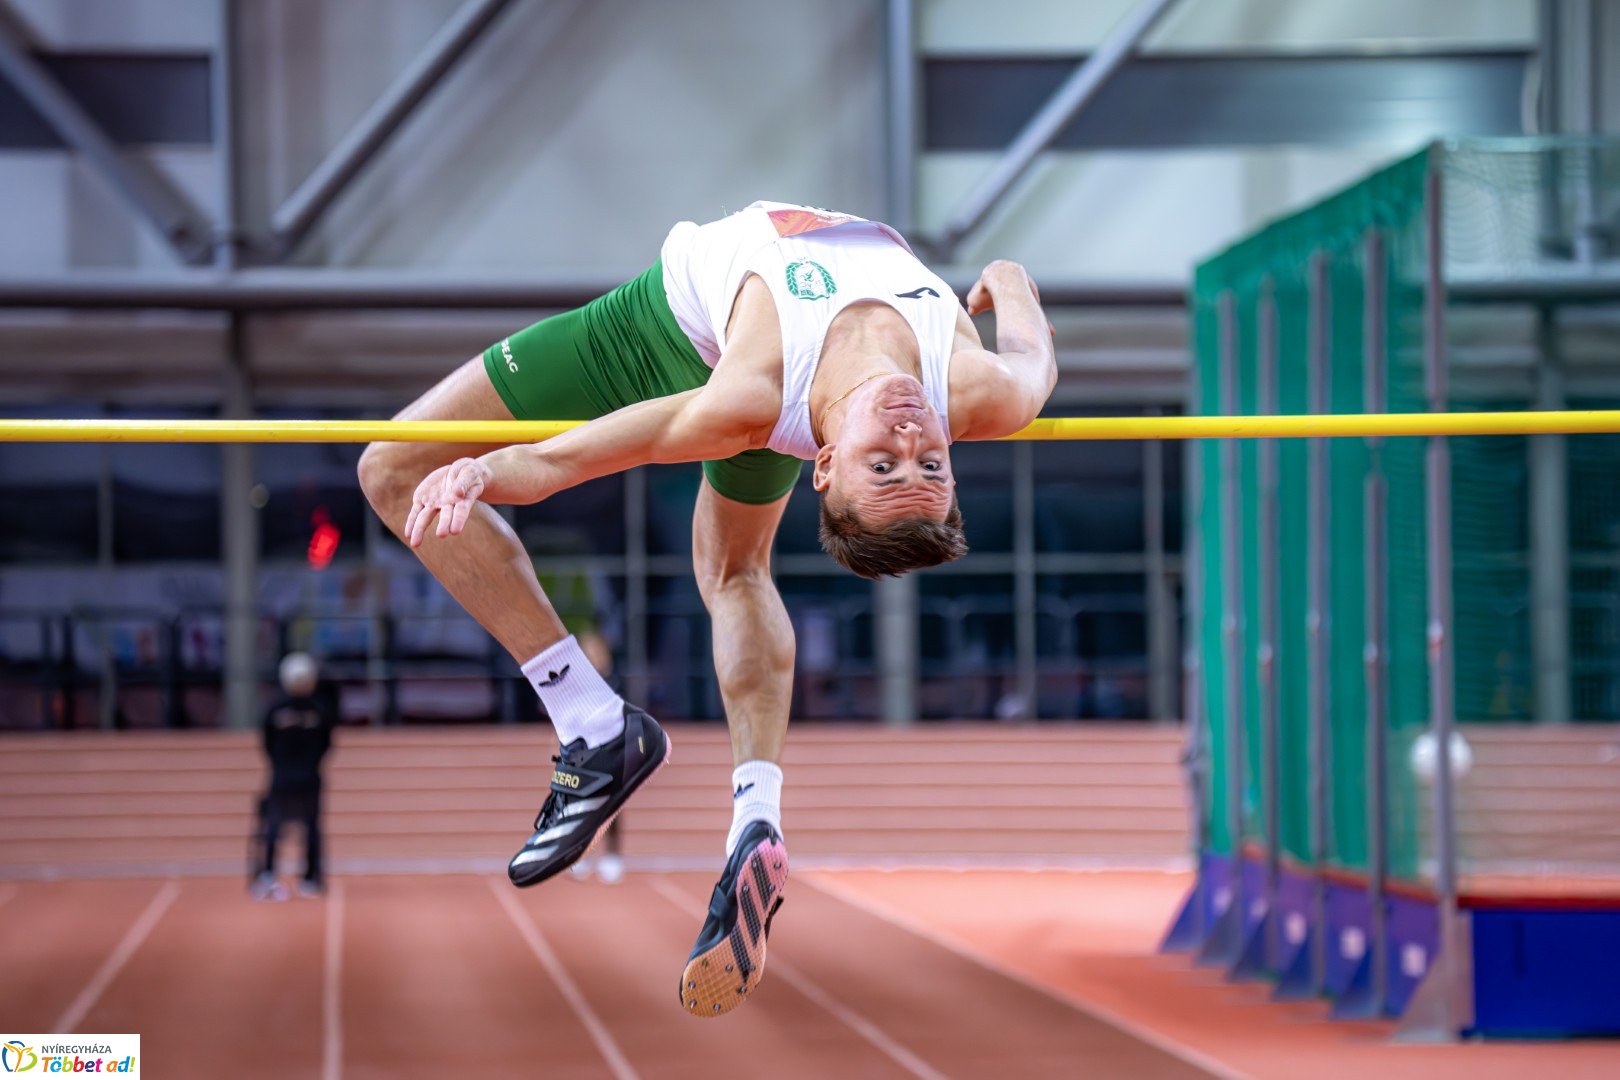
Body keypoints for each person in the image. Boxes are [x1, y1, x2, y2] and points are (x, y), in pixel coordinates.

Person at [357, 201, 1055, 1015]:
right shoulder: (979, 391)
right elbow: (1034, 359)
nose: (909, 439)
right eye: (928, 464)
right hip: (763, 357)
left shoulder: (750, 400)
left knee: (390, 470)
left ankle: (589, 722)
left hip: (664, 330)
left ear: (825, 464)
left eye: (882, 466)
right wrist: (1011, 280)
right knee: (734, 570)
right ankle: (755, 812)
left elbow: (571, 462)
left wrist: (487, 471)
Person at [249, 652, 339, 900]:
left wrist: (282, 765)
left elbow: (266, 743)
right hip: (307, 777)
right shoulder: (319, 709)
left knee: (276, 827)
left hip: (283, 777)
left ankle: (269, 875)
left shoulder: (276, 709)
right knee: (308, 828)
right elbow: (327, 744)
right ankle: (310, 879)